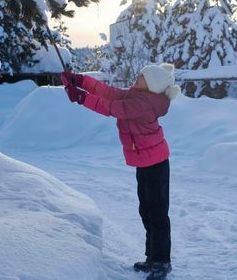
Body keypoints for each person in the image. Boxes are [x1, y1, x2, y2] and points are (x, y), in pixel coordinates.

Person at [61, 63, 181, 280]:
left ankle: (162, 262)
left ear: (151, 85)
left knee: (157, 214)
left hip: (156, 164)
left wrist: (81, 98)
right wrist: (81, 81)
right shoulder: (137, 95)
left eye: (142, 76)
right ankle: (152, 258)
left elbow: (111, 107)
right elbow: (110, 93)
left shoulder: (143, 104)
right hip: (145, 162)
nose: (138, 76)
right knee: (146, 210)